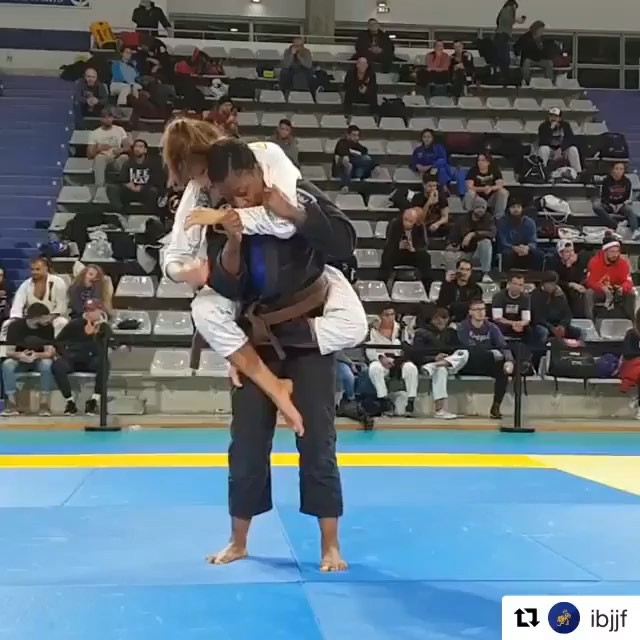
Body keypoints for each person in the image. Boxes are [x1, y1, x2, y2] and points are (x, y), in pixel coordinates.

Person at [163, 119, 365, 571]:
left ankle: (330, 545)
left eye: (243, 189)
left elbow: (344, 242)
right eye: (225, 193)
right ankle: (238, 541)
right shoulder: (217, 217)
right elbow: (226, 286)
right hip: (258, 338)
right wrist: (232, 243)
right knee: (247, 443)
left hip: (308, 332)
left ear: (257, 171)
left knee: (318, 440)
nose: (237, 200)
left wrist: (296, 214)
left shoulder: (294, 191)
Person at [163, 122, 367, 433]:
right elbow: (176, 257)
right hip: (247, 300)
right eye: (197, 177)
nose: (206, 183)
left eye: (205, 173)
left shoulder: (270, 158)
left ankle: (269, 342)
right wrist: (184, 271)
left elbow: (284, 224)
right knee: (203, 310)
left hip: (309, 283)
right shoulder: (200, 195)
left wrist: (225, 216)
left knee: (355, 326)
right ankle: (272, 384)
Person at [52, 299, 110, 416]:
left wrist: (96, 335)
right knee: (57, 366)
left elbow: (109, 346)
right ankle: (70, 402)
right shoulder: (75, 324)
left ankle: (94, 400)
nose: (89, 313)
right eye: (87, 310)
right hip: (73, 359)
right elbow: (58, 341)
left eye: (92, 310)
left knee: (104, 363)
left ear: (100, 310)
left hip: (91, 360)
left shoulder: (104, 327)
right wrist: (66, 354)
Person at [457, 299, 513, 419]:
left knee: (503, 369)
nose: (480, 312)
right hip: (468, 362)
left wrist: (509, 361)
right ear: (470, 312)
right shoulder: (463, 327)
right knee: (480, 354)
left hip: (485, 363)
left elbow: (503, 346)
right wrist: (491, 353)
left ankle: (496, 406)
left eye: (482, 309)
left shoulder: (492, 327)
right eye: (477, 309)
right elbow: (469, 346)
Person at [409, 307, 469, 419]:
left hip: (448, 364)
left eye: (444, 318)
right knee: (441, 370)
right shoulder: (421, 333)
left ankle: (435, 365)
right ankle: (440, 410)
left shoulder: (450, 333)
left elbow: (458, 349)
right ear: (431, 319)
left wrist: (446, 359)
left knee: (464, 353)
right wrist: (434, 358)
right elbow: (416, 355)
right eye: (437, 318)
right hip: (426, 365)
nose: (441, 321)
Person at [2, 303, 55, 416]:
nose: (48, 319)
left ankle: (44, 404)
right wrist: (21, 355)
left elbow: (49, 352)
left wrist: (36, 355)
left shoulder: (48, 327)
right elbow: (9, 352)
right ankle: (12, 404)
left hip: (39, 358)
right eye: (46, 316)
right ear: (37, 317)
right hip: (19, 359)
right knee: (7, 364)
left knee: (47, 364)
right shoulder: (15, 326)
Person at [365, 308, 419, 416]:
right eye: (386, 315)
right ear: (380, 316)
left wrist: (397, 359)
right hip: (381, 360)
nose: (390, 317)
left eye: (392, 314)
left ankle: (410, 401)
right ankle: (384, 401)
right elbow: (369, 350)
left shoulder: (401, 328)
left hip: (399, 360)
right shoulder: (371, 330)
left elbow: (407, 348)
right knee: (374, 368)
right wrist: (381, 358)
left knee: (411, 368)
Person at [9, 256, 68, 335]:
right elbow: (17, 304)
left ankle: (58, 343)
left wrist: (50, 317)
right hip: (31, 318)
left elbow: (61, 305)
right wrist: (17, 319)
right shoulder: (26, 284)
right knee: (8, 324)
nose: (34, 272)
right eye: (32, 269)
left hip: (52, 317)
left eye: (37, 269)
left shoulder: (58, 282)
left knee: (62, 322)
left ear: (46, 268)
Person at [584, 235, 634, 321]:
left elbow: (628, 281)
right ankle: (590, 321)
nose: (615, 254)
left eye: (617, 251)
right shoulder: (595, 262)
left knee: (631, 294)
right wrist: (602, 288)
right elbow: (590, 281)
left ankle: (632, 322)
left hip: (617, 291)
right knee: (589, 293)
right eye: (612, 251)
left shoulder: (622, 263)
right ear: (605, 251)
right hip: (601, 291)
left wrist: (622, 288)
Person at [106, 138, 164, 213]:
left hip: (145, 191)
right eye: (136, 147)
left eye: (140, 147)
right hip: (130, 191)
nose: (137, 149)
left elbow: (156, 181)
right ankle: (121, 211)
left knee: (154, 191)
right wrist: (128, 184)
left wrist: (142, 187)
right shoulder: (128, 163)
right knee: (112, 188)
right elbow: (122, 179)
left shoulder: (152, 164)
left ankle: (147, 213)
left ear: (145, 150)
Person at [380, 207, 431, 288]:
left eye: (410, 221)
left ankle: (427, 286)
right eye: (405, 219)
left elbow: (424, 245)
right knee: (387, 254)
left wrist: (413, 249)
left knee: (425, 256)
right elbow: (388, 243)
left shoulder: (420, 226)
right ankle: (382, 282)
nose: (406, 223)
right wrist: (398, 245)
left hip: (412, 254)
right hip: (397, 253)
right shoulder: (394, 224)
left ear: (416, 222)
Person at [446, 199, 495, 281]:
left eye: (483, 207)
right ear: (473, 208)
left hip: (479, 254)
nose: (481, 210)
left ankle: (485, 274)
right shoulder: (462, 220)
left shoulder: (488, 218)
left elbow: (492, 233)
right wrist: (454, 246)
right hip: (464, 251)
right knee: (449, 254)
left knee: (486, 242)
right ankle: (452, 278)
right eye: (478, 207)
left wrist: (472, 234)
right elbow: (453, 237)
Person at [530, 271, 581, 344]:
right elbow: (537, 317)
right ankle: (540, 351)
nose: (553, 286)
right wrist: (551, 328)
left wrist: (562, 325)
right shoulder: (535, 295)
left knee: (578, 332)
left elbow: (568, 314)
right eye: (550, 284)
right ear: (544, 283)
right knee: (543, 332)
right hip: (542, 325)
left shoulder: (560, 295)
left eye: (554, 284)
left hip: (558, 325)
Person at [87, 107, 131, 187]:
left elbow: (128, 147)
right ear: (101, 119)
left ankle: (124, 186)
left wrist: (120, 150)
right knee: (99, 158)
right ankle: (100, 185)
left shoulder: (119, 130)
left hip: (117, 158)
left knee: (124, 157)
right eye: (105, 117)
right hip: (104, 158)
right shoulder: (95, 133)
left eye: (110, 117)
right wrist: (99, 149)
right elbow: (89, 155)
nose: (108, 120)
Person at [409, 129, 462, 194]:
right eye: (424, 137)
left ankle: (447, 188)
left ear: (433, 138)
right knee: (442, 169)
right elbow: (412, 163)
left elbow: (443, 161)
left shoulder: (438, 148)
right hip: (426, 173)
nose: (426, 139)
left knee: (444, 168)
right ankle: (444, 187)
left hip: (435, 170)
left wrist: (430, 166)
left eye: (429, 137)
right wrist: (417, 166)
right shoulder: (418, 150)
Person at [497, 197, 544, 271]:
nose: (516, 209)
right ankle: (506, 276)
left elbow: (533, 241)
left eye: (518, 207)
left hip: (525, 249)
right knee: (506, 254)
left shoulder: (529, 222)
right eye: (513, 207)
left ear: (522, 209)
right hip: (509, 248)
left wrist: (527, 247)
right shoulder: (502, 222)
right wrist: (515, 248)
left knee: (539, 254)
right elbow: (502, 242)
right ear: (509, 209)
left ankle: (535, 276)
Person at [546, 239, 590, 317]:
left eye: (572, 251)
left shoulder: (578, 261)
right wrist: (568, 266)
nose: (571, 254)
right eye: (567, 252)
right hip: (557, 286)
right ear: (560, 254)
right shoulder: (552, 262)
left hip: (572, 288)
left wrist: (570, 267)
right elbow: (553, 280)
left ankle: (579, 318)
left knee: (576, 292)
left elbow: (577, 279)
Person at [592, 162, 637, 237]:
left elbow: (626, 196)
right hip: (609, 205)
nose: (619, 171)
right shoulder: (607, 180)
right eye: (617, 169)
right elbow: (604, 196)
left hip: (621, 204)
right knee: (596, 207)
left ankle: (635, 231)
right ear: (612, 170)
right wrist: (610, 204)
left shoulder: (627, 181)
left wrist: (619, 205)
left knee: (630, 210)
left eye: (621, 169)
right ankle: (616, 226)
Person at [436, 258, 483, 323]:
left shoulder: (476, 288)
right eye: (462, 269)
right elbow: (441, 304)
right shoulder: (448, 285)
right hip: (447, 320)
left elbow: (472, 305)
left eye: (467, 270)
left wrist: (452, 306)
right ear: (457, 270)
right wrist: (447, 283)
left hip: (467, 321)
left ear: (470, 272)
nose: (464, 272)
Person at [463, 152, 509, 218]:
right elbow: (469, 186)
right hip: (477, 197)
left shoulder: (495, 170)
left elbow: (499, 185)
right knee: (470, 193)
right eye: (479, 160)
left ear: (488, 162)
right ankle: (469, 216)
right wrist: (484, 189)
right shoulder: (473, 170)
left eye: (483, 160)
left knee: (503, 192)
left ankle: (499, 217)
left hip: (491, 198)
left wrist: (491, 188)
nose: (480, 162)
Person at [537, 108, 582, 174]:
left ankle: (578, 173)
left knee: (573, 149)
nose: (553, 118)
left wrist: (561, 148)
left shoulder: (565, 125)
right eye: (551, 116)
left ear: (560, 118)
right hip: (550, 151)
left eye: (555, 116)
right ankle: (541, 173)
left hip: (562, 150)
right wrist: (550, 129)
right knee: (543, 149)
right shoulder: (543, 126)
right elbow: (542, 141)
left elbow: (571, 139)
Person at [332, 125, 376, 191]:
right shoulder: (342, 142)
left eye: (357, 135)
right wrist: (349, 156)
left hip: (355, 170)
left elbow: (365, 151)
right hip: (341, 170)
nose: (356, 138)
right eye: (354, 135)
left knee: (366, 161)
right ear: (348, 135)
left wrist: (375, 165)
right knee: (344, 161)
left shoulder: (357, 146)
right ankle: (345, 185)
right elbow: (343, 153)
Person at [410, 170, 450, 238]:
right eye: (430, 186)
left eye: (434, 186)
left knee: (450, 228)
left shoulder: (441, 197)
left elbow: (445, 217)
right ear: (424, 185)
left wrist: (437, 224)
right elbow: (419, 220)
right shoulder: (417, 198)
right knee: (417, 229)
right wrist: (428, 203)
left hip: (437, 224)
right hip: (423, 224)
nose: (433, 189)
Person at [494, 0, 526, 84]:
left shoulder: (504, 10)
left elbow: (512, 20)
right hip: (502, 35)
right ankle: (504, 78)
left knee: (504, 58)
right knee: (504, 58)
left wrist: (521, 20)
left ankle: (504, 77)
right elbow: (509, 20)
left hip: (502, 36)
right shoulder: (509, 9)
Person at [514, 20, 554, 84]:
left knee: (549, 63)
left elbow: (543, 52)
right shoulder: (526, 37)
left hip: (538, 58)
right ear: (536, 29)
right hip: (528, 58)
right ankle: (526, 80)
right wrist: (518, 55)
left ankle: (549, 81)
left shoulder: (541, 39)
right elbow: (517, 46)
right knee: (526, 62)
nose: (542, 32)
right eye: (541, 30)